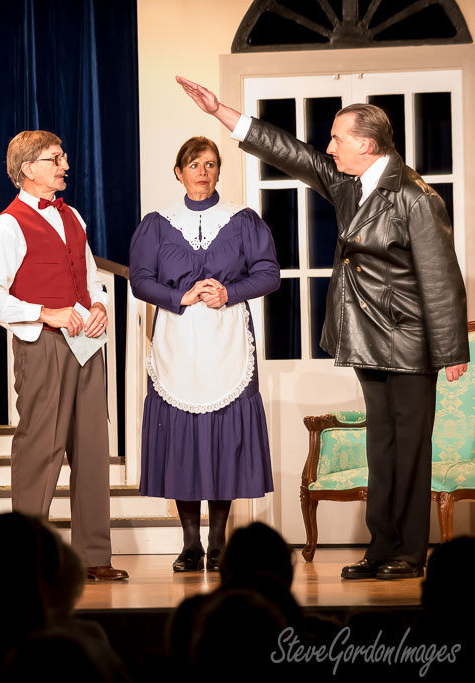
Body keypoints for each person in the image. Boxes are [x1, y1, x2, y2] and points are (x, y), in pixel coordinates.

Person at [178, 75, 469, 580]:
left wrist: (452, 351)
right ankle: (380, 548)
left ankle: (408, 553)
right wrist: (221, 111)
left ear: (366, 145)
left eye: (337, 139)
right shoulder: (350, 183)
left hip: (409, 339)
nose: (329, 148)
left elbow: (442, 278)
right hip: (368, 335)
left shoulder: (415, 197)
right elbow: (293, 154)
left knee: (410, 448)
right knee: (382, 446)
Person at [0, 130, 127, 581]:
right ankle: (24, 558)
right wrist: (44, 313)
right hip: (42, 345)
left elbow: (91, 277)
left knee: (92, 448)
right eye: (55, 159)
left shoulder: (72, 215)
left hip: (86, 345)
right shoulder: (8, 225)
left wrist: (99, 306)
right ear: (28, 169)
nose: (65, 166)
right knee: (40, 449)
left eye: (63, 157)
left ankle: (94, 555)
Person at [129, 136, 279, 572]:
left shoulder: (243, 220)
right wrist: (179, 295)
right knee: (183, 438)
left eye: (210, 164)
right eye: (194, 164)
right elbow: (140, 280)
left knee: (223, 436)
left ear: (218, 171)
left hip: (227, 337)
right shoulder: (157, 224)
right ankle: (190, 543)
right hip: (176, 339)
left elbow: (269, 274)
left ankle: (218, 542)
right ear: (179, 172)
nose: (203, 171)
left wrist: (229, 292)